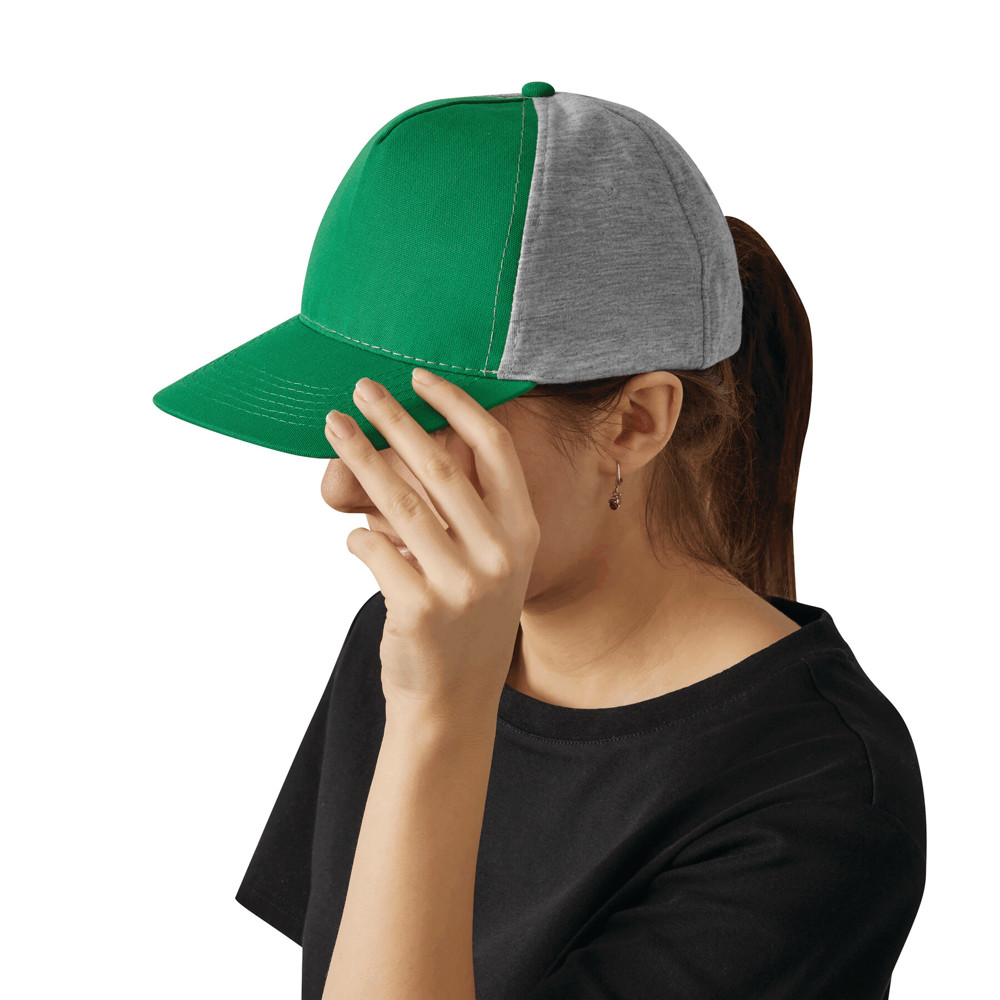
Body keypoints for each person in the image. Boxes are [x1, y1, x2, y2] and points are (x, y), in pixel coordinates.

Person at [153, 82, 926, 1000]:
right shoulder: (411, 637)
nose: (341, 488)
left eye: (420, 427)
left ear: (635, 423)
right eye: (351, 424)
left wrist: (439, 716)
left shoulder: (817, 794)